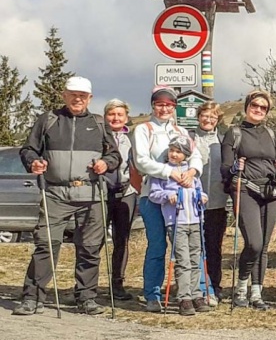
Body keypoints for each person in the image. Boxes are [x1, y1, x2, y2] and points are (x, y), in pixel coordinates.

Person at [13, 76, 119, 317]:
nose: (77, 99)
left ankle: (86, 298)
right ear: (64, 95)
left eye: (82, 95)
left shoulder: (98, 123)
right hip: (55, 193)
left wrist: (106, 163)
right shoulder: (48, 120)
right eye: (73, 94)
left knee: (90, 247)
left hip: (91, 194)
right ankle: (32, 298)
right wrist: (33, 162)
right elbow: (28, 149)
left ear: (90, 98)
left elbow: (114, 155)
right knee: (46, 244)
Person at [132, 87, 202, 312]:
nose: (164, 109)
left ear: (174, 107)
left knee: (187, 249)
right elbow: (141, 161)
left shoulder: (181, 130)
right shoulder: (144, 129)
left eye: (169, 105)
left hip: (181, 199)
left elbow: (196, 156)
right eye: (160, 104)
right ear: (153, 105)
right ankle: (152, 294)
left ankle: (192, 292)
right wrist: (169, 172)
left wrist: (191, 172)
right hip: (153, 195)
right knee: (158, 246)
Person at [222, 90, 276, 310]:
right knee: (254, 243)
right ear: (247, 106)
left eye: (263, 107)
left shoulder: (271, 133)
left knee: (263, 247)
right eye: (254, 105)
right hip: (245, 190)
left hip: (270, 193)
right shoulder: (234, 133)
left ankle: (256, 293)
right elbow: (225, 168)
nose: (258, 110)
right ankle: (241, 288)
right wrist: (234, 168)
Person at [148, 138, 210, 316]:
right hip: (176, 222)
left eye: (178, 151)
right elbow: (154, 194)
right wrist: (168, 196)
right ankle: (184, 297)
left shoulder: (192, 173)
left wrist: (203, 197)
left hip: (195, 221)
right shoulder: (163, 171)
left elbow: (198, 189)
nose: (174, 154)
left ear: (186, 155)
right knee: (183, 260)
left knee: (195, 258)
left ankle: (196, 294)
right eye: (172, 150)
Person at [102, 98, 137, 301]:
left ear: (126, 117)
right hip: (102, 193)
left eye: (120, 114)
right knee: (94, 240)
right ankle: (87, 285)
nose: (115, 118)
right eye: (111, 114)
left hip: (126, 192)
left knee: (122, 240)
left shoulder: (132, 138)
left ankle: (117, 284)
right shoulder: (98, 135)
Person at [193, 100, 227, 304]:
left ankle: (214, 284)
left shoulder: (223, 140)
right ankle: (196, 285)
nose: (208, 119)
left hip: (217, 202)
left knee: (214, 247)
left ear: (218, 119)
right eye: (205, 115)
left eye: (213, 116)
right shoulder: (189, 138)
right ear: (198, 117)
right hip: (193, 203)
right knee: (195, 247)